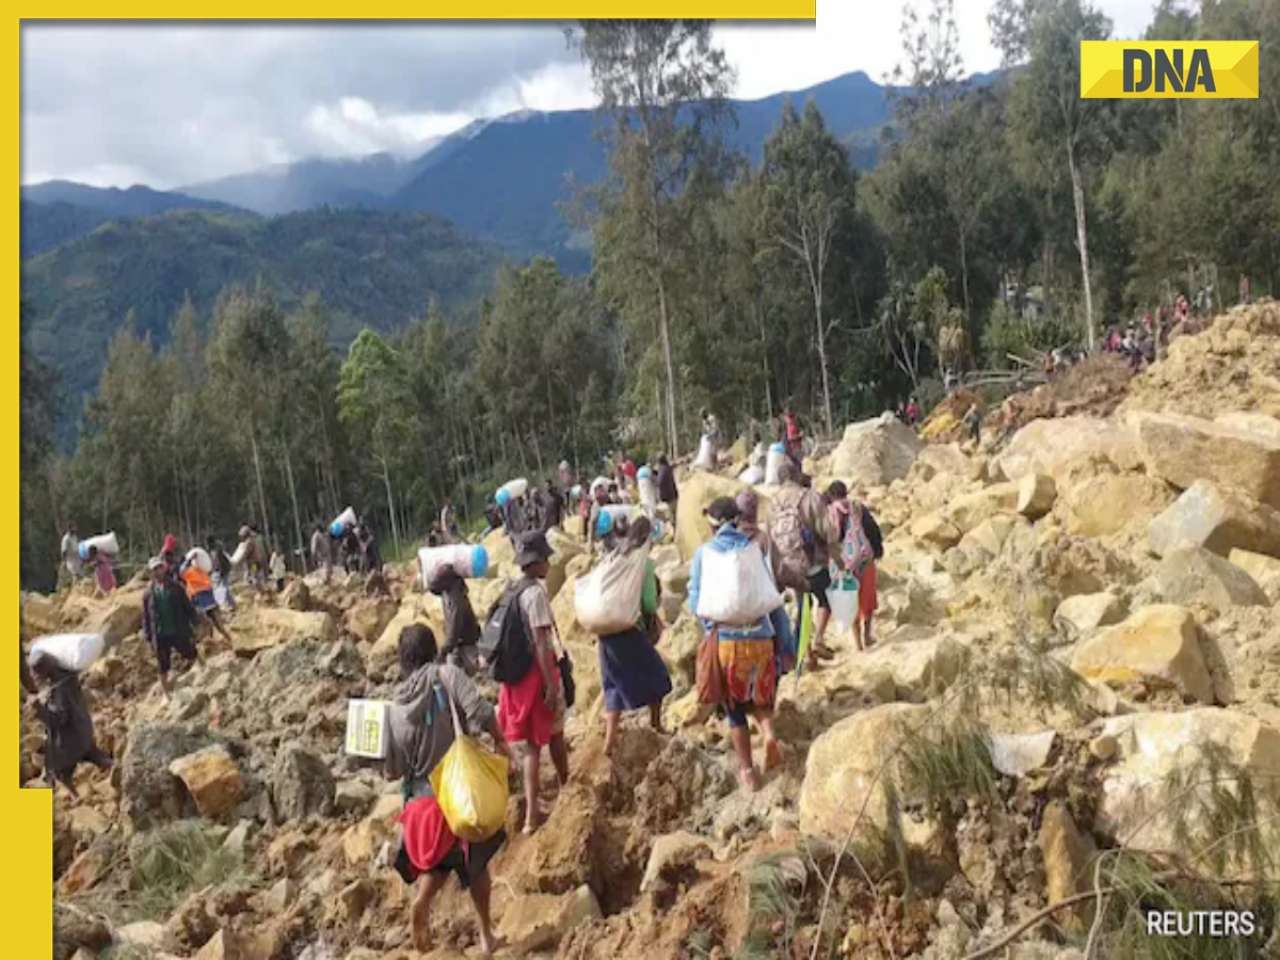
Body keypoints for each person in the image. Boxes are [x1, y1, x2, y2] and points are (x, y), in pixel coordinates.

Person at [385, 624, 507, 956]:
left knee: (439, 864)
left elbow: (392, 770)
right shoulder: (448, 675)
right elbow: (480, 712)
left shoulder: (393, 708)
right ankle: (486, 936)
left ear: (403, 660)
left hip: (421, 806)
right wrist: (501, 742)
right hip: (459, 792)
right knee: (477, 865)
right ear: (431, 649)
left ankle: (422, 901)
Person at [688, 498, 782, 793]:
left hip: (728, 643)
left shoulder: (704, 554)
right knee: (761, 698)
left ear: (713, 523)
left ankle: (747, 770)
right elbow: (769, 590)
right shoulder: (753, 548)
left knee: (734, 708)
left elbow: (696, 601)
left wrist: (709, 629)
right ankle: (768, 734)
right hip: (761, 639)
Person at [496, 532, 569, 834]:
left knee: (528, 747)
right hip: (537, 677)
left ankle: (530, 818)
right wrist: (551, 686)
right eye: (546, 559)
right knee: (552, 737)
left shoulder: (511, 590)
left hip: (515, 681)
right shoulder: (536, 594)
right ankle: (566, 791)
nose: (550, 563)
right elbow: (541, 642)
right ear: (536, 562)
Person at [595, 517, 672, 757]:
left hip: (605, 632)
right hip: (629, 631)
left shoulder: (613, 556)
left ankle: (609, 741)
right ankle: (656, 724)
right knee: (658, 675)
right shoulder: (643, 564)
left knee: (613, 684)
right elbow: (648, 603)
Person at [768, 460, 836, 672]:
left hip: (789, 566)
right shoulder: (810, 496)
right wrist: (836, 555)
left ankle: (806, 653)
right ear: (797, 475)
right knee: (825, 600)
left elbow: (770, 537)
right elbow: (827, 530)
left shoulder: (772, 503)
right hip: (813, 562)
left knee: (802, 606)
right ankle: (818, 638)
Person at [30, 653, 112, 797]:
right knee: (95, 756)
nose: (36, 677)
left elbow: (58, 719)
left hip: (70, 741)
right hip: (82, 730)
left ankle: (76, 798)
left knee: (61, 771)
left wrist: (39, 709)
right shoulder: (67, 678)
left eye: (37, 673)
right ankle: (117, 771)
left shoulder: (59, 690)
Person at [825, 482, 884, 650]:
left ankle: (858, 643)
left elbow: (828, 541)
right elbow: (873, 529)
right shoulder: (857, 507)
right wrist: (878, 551)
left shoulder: (830, 513)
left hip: (844, 565)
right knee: (868, 598)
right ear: (846, 492)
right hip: (865, 560)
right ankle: (867, 635)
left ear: (831, 495)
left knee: (852, 602)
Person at [141, 556, 201, 700]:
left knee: (190, 652)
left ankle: (201, 678)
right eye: (154, 570)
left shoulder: (175, 587)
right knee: (162, 665)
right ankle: (167, 694)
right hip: (160, 634)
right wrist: (148, 637)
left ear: (164, 568)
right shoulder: (148, 593)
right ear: (151, 573)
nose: (157, 572)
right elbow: (146, 617)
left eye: (159, 568)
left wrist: (196, 621)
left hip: (177, 628)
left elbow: (187, 606)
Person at [425, 566, 483, 676]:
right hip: (458, 643)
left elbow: (454, 628)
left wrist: (443, 651)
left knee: (475, 672)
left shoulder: (455, 599)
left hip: (467, 642)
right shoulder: (448, 592)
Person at [179, 549, 233, 645]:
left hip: (199, 600)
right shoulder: (202, 571)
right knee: (216, 625)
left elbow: (181, 572)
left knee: (206, 625)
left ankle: (212, 643)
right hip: (208, 599)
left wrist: (188, 560)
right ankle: (227, 640)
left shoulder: (192, 572)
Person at [208, 537, 236, 611]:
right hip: (222, 570)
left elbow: (219, 562)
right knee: (223, 588)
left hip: (223, 570)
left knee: (224, 588)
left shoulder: (217, 550)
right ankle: (230, 604)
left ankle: (231, 605)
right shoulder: (217, 548)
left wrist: (220, 571)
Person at [656, 455, 679, 531]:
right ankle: (677, 530)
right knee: (675, 513)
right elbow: (673, 465)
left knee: (672, 514)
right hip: (673, 494)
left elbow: (659, 482)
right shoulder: (667, 468)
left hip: (669, 496)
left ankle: (676, 531)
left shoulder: (662, 470)